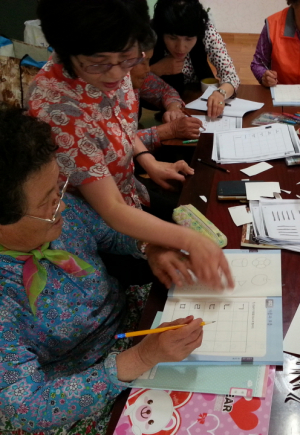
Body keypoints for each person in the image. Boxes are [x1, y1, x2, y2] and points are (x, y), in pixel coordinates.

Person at [0, 106, 206, 432]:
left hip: (132, 322)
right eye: (48, 203)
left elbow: (109, 233)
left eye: (58, 189)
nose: (62, 205)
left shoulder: (59, 215)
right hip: (82, 386)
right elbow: (27, 405)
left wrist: (149, 247)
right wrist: (139, 359)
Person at [29, 0, 233, 289]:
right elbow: (111, 208)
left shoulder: (113, 55)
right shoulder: (57, 108)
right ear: (67, 51)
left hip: (131, 192)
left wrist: (148, 160)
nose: (116, 74)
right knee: (177, 276)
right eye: (99, 63)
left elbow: (117, 122)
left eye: (128, 58)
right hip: (95, 228)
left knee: (210, 215)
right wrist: (190, 240)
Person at [150, 0, 240, 119]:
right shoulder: (150, 34)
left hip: (199, 99)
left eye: (189, 39)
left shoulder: (206, 30)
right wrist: (155, 69)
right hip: (159, 101)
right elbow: (130, 79)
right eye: (172, 38)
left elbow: (230, 75)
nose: (181, 48)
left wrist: (220, 93)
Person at [131, 27, 203, 151]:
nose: (148, 69)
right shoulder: (104, 91)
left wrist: (173, 108)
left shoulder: (134, 78)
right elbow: (115, 145)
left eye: (148, 61)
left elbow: (166, 90)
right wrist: (169, 130)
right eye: (143, 62)